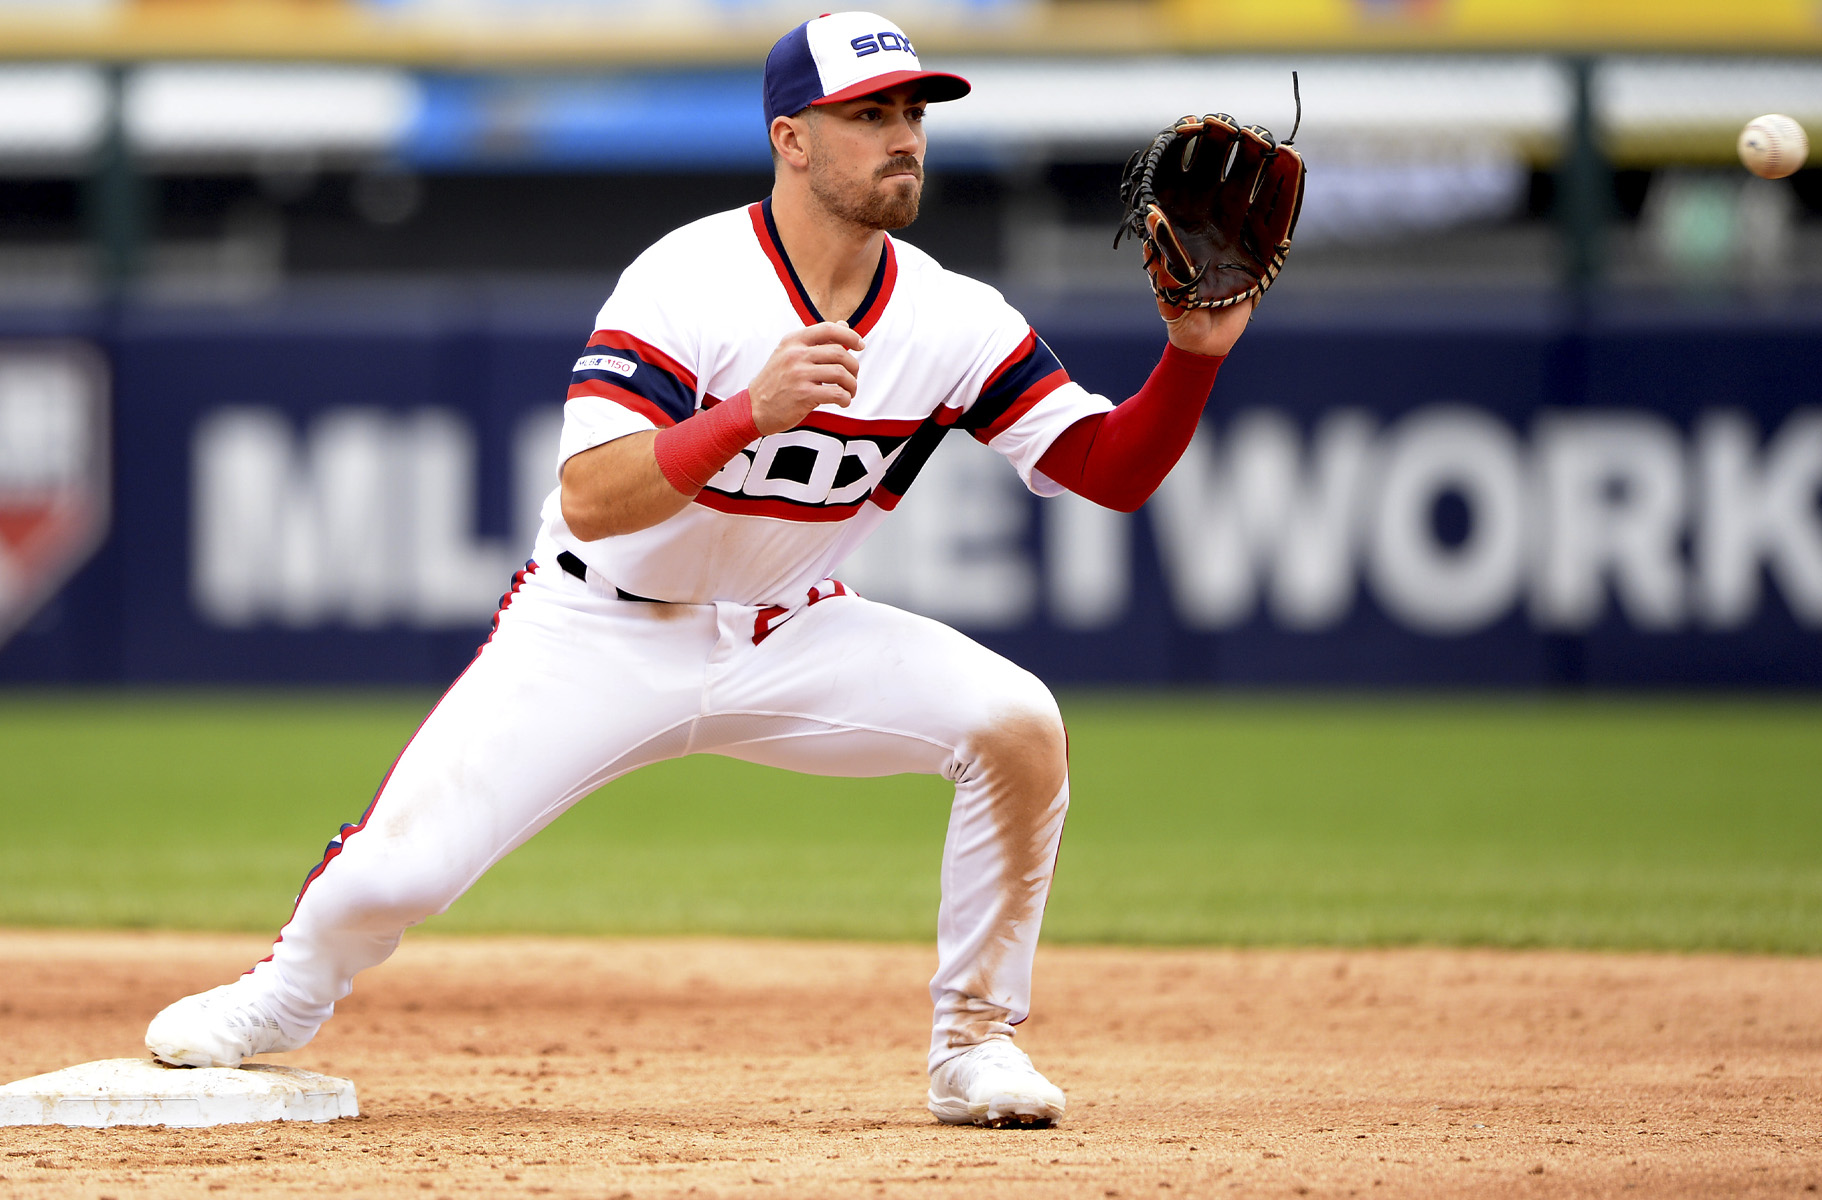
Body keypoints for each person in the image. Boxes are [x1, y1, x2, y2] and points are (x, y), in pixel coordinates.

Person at [145, 10, 1252, 1130]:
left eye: (914, 113)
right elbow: (592, 495)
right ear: (792, 139)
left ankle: (977, 1042)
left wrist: (1192, 356)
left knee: (1016, 726)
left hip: (790, 628)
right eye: (869, 114)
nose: (903, 136)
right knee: (400, 876)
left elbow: (1105, 470)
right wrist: (746, 415)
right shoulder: (689, 278)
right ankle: (282, 995)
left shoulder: (954, 319)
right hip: (596, 627)